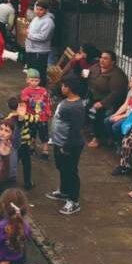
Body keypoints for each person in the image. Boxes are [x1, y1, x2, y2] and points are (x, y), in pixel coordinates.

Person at [46, 76, 85, 215]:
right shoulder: (66, 102)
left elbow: (75, 130)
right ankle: (63, 191)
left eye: (63, 86)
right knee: (61, 167)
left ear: (69, 88)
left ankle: (73, 200)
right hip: (58, 142)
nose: (61, 88)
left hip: (69, 145)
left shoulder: (76, 107)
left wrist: (66, 147)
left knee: (70, 171)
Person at [86, 51, 128, 148]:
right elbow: (87, 73)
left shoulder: (117, 75)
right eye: (101, 57)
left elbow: (116, 93)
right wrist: (85, 75)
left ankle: (97, 138)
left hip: (109, 101)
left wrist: (102, 103)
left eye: (105, 58)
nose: (102, 60)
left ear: (112, 62)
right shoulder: (96, 67)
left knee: (99, 113)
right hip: (93, 96)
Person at [25, 1, 55, 87]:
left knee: (38, 73)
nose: (38, 11)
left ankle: (40, 90)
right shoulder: (35, 18)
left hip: (40, 51)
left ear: (46, 10)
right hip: (31, 49)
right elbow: (30, 29)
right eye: (37, 9)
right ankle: (32, 89)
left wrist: (29, 35)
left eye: (41, 10)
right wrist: (28, 32)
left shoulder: (48, 22)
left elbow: (43, 37)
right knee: (31, 72)